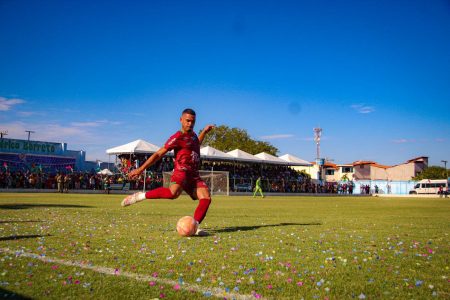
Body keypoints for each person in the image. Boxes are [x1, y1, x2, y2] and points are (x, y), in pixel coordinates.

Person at [121, 108, 215, 236]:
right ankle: (140, 196)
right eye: (187, 121)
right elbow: (159, 153)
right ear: (181, 120)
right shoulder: (177, 137)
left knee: (206, 198)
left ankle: (194, 226)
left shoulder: (193, 136)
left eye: (193, 121)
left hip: (193, 174)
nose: (190, 124)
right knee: (173, 194)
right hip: (181, 171)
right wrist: (141, 169)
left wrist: (204, 132)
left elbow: (195, 144)